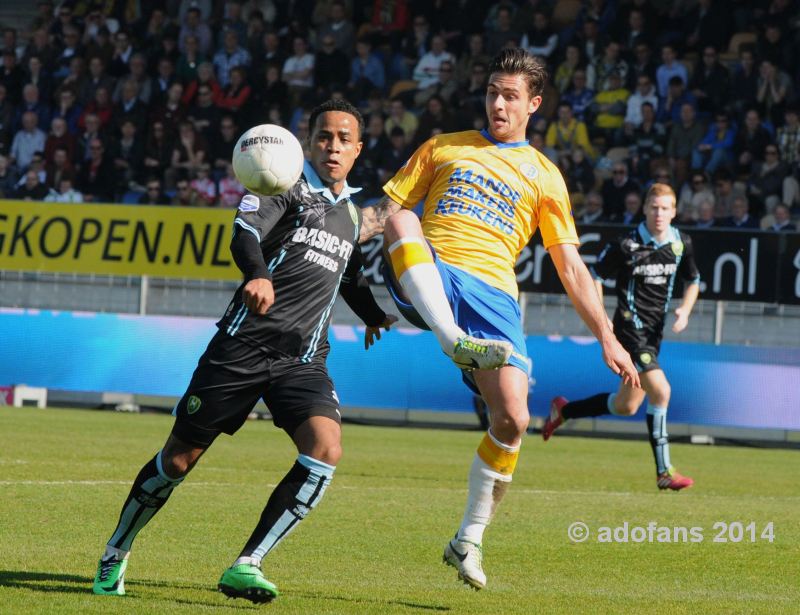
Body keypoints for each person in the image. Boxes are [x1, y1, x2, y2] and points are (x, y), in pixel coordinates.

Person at [92, 99, 396, 603]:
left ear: (358, 149)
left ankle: (247, 564)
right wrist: (257, 273)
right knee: (178, 461)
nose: (334, 146)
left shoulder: (349, 213)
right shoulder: (280, 184)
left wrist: (373, 315)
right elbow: (245, 233)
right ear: (308, 141)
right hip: (242, 347)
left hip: (303, 359)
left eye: (344, 139)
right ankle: (115, 550)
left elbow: (349, 274)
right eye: (325, 136)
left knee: (325, 448)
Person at [357, 48, 639, 591]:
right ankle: (451, 338)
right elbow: (382, 213)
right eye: (492, 92)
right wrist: (331, 234)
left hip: (495, 299)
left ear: (534, 104)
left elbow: (570, 266)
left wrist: (608, 336)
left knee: (513, 418)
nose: (498, 104)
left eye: (510, 95)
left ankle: (468, 538)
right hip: (431, 271)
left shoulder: (545, 176)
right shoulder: (443, 147)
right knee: (402, 219)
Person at [543, 183, 700, 492]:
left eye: (665, 208)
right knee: (661, 392)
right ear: (644, 208)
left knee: (625, 406)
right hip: (629, 329)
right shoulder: (626, 244)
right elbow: (596, 276)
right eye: (653, 207)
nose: (659, 214)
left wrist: (685, 310)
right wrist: (601, 320)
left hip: (654, 334)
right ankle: (664, 471)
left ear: (674, 211)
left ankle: (565, 410)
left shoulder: (681, 243)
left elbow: (693, 280)